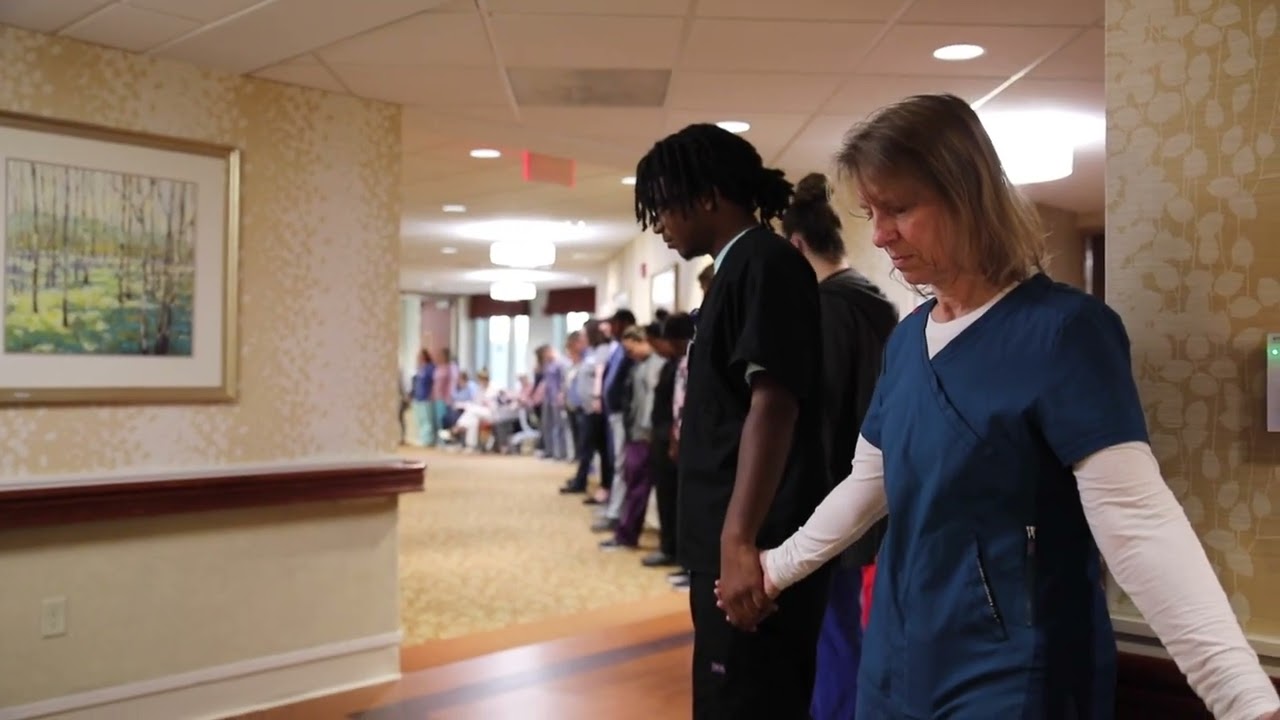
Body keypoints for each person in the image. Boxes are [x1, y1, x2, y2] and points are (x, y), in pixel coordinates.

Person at [732, 94, 1280, 719]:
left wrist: (1243, 699)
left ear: (967, 196)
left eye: (901, 209)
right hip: (897, 658)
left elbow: (1138, 522)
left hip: (1012, 675)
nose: (880, 235)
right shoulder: (908, 342)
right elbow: (870, 481)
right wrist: (774, 567)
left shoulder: (1065, 332)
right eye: (871, 212)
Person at [634, 122, 830, 719]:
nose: (659, 223)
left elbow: (774, 405)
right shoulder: (735, 270)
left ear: (707, 197)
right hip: (729, 537)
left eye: (663, 206)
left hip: (754, 541)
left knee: (747, 702)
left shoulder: (765, 264)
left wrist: (738, 540)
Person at [781, 172, 898, 720]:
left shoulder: (826, 309)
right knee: (850, 626)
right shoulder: (877, 304)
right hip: (874, 484)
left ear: (798, 245)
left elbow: (823, 417)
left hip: (833, 490)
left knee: (831, 634)